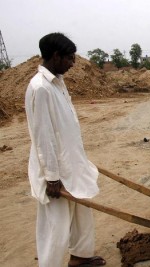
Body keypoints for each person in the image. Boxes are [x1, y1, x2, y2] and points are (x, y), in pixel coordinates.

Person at [25, 33, 106, 267]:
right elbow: (43, 136)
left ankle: (80, 257)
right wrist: (51, 177)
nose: (73, 64)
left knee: (82, 210)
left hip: (72, 162)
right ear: (56, 55)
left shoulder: (58, 83)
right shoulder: (40, 88)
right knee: (56, 225)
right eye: (69, 58)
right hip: (55, 169)